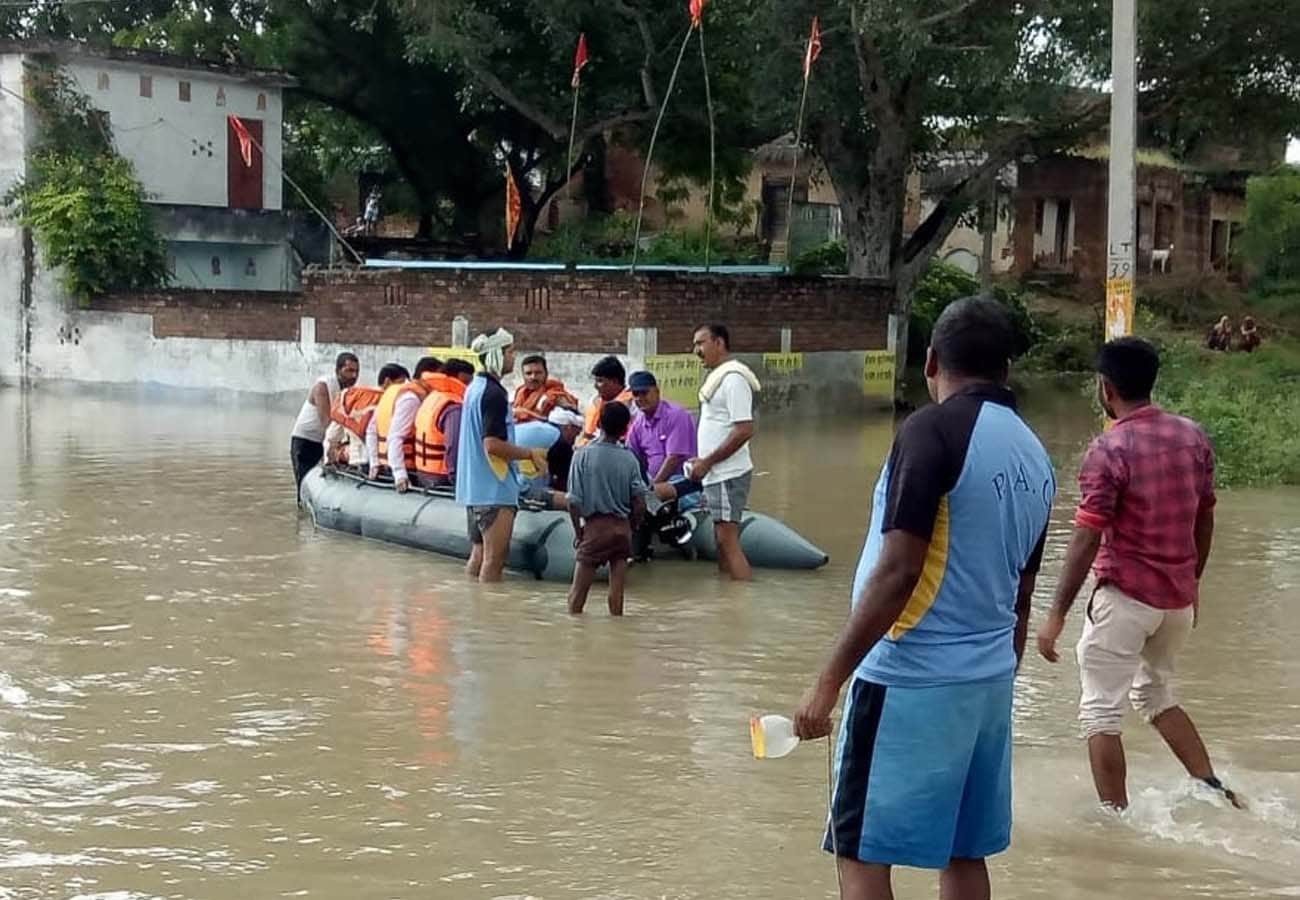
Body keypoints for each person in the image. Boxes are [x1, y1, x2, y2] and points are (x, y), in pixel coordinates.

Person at [792, 297, 1054, 900]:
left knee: (859, 853)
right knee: (964, 852)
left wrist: (829, 680)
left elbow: (899, 571)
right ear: (1006, 370)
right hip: (987, 683)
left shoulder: (930, 429)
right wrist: (1001, 677)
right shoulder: (1035, 454)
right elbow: (1022, 592)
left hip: (910, 676)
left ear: (931, 361)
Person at [1036, 337, 1242, 811]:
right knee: (1155, 693)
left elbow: (1087, 537)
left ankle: (1117, 821)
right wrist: (1193, 582)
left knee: (1100, 711)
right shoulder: (1193, 436)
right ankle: (1213, 787)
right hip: (1176, 602)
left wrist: (1055, 615)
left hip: (1125, 599)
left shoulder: (1109, 449)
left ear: (1106, 389)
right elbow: (1204, 517)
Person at [456, 327, 549, 583]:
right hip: (493, 490)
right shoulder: (494, 394)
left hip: (474, 489)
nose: (513, 356)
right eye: (509, 351)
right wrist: (530, 454)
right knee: (494, 561)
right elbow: (493, 445)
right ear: (496, 354)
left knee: (478, 554)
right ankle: (488, 617)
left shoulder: (474, 387)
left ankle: (472, 608)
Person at [687, 325, 759, 581]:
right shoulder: (718, 378)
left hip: (727, 473)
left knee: (727, 539)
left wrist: (707, 461)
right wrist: (703, 461)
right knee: (721, 539)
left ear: (719, 343)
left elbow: (744, 430)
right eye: (694, 345)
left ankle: (742, 596)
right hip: (715, 473)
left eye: (701, 343)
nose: (697, 350)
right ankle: (727, 598)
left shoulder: (733, 380)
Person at [566, 402, 648, 617]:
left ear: (599, 423)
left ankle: (577, 641)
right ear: (625, 429)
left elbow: (573, 501)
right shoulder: (630, 459)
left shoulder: (581, 456)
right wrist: (632, 526)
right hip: (621, 530)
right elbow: (640, 501)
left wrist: (579, 533)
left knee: (577, 597)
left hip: (595, 528)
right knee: (617, 597)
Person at [290, 352, 359, 502]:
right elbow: (327, 421)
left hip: (326, 442)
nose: (353, 376)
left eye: (356, 372)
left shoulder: (351, 392)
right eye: (349, 371)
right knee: (304, 488)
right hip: (305, 442)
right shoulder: (323, 386)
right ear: (337, 370)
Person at [372, 356, 442, 491]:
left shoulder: (395, 393)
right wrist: (400, 474)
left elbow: (371, 430)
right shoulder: (411, 399)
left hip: (387, 465)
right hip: (403, 469)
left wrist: (374, 463)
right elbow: (395, 437)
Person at [326, 363, 408, 469]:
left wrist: (329, 461)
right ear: (387, 381)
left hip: (356, 460)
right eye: (400, 384)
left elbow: (331, 436)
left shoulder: (349, 398)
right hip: (382, 464)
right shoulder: (394, 402)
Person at [412, 359, 477, 488]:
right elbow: (454, 446)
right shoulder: (453, 406)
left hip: (422, 472)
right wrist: (457, 480)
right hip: (442, 477)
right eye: (468, 383)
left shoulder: (433, 397)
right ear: (459, 379)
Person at [626, 371, 697, 485]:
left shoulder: (676, 415)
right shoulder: (638, 423)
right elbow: (631, 456)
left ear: (657, 392)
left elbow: (674, 457)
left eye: (644, 393)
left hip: (682, 485)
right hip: (655, 485)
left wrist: (653, 488)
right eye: (636, 394)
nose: (640, 398)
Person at [578, 356, 633, 446]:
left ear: (615, 381)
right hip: (587, 450)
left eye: (600, 381)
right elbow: (586, 431)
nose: (595, 386)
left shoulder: (632, 404)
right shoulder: (594, 400)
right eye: (595, 381)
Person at [513, 354, 580, 423]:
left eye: (538, 373)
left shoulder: (556, 393)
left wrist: (522, 413)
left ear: (546, 374)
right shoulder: (520, 391)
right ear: (523, 375)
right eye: (528, 373)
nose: (533, 377)